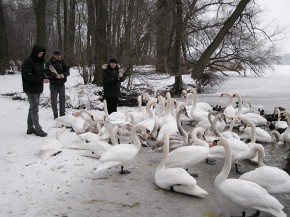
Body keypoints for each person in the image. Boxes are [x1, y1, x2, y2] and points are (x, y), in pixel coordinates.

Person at [21, 44, 48, 137]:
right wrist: (41, 79)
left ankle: (30, 127)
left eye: (42, 53)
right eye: (39, 53)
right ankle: (38, 129)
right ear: (35, 52)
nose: (41, 55)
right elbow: (27, 75)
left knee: (32, 108)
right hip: (30, 88)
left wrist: (45, 77)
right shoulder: (28, 61)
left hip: (38, 88)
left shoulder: (40, 61)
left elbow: (41, 73)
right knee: (35, 108)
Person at [45, 50, 70, 119]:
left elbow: (67, 70)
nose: (59, 56)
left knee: (62, 99)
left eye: (59, 55)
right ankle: (55, 115)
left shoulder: (62, 62)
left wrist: (64, 75)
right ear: (53, 55)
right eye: (57, 55)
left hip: (62, 84)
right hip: (53, 84)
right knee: (54, 100)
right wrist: (55, 76)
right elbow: (47, 73)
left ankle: (62, 114)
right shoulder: (49, 63)